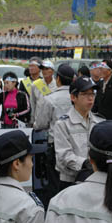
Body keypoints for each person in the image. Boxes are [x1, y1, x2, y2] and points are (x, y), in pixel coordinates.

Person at [33, 64, 76, 202]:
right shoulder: (77, 97)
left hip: (56, 145)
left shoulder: (50, 99)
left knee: (55, 182)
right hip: (77, 144)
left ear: (58, 79)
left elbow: (40, 124)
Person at [54, 76, 104, 190]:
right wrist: (85, 164)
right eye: (85, 94)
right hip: (71, 181)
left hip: (95, 180)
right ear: (73, 97)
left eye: (92, 94)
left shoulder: (99, 122)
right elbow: (63, 155)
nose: (90, 98)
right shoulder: (63, 124)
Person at [30, 60, 57, 126]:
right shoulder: (35, 84)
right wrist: (32, 121)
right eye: (42, 69)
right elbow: (33, 104)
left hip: (54, 124)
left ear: (52, 71)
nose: (44, 71)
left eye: (47, 69)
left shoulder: (57, 85)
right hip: (39, 124)